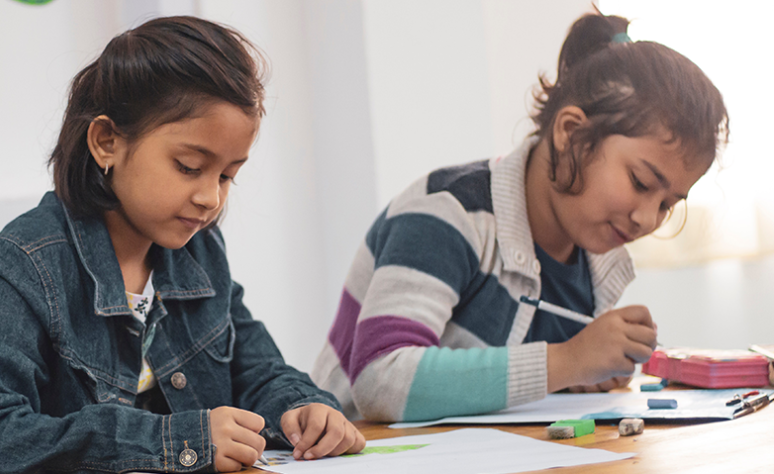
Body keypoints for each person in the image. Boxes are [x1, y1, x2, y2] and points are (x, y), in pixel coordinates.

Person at [0, 16, 365, 474]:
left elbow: (258, 371)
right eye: (189, 167)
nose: (211, 197)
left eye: (227, 175)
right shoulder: (18, 266)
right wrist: (178, 442)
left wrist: (303, 408)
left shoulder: (200, 254)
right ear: (107, 142)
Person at [311, 12, 729, 422]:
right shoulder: (447, 211)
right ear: (570, 133)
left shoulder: (597, 261)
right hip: (363, 466)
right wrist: (567, 361)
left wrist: (584, 375)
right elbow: (380, 380)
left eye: (668, 204)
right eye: (640, 181)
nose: (647, 219)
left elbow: (514, 386)